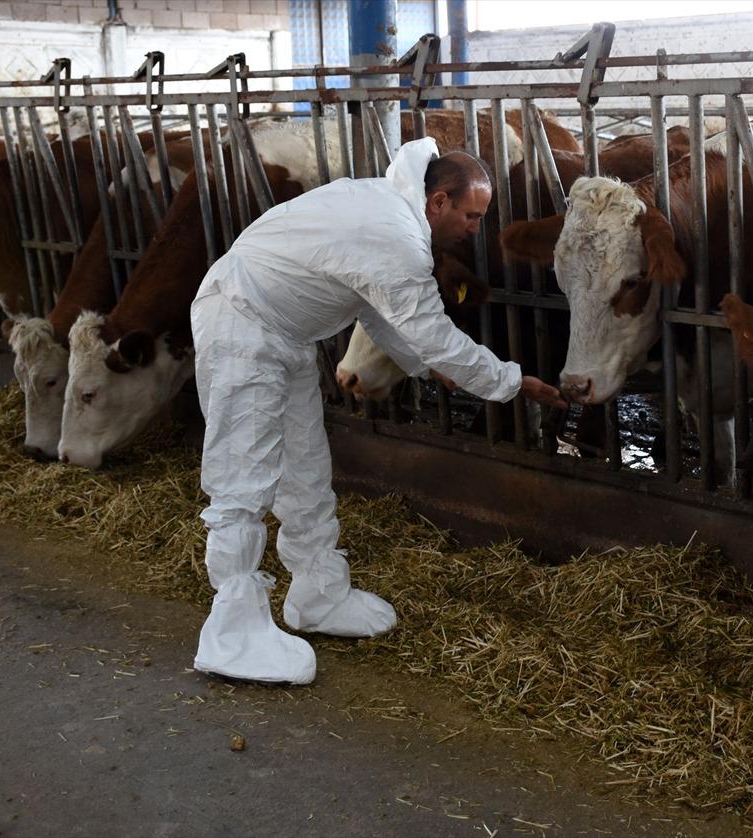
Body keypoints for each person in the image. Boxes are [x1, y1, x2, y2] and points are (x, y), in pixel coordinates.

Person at [189, 137, 565, 684]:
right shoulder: (396, 236)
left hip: (282, 332)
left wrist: (426, 364)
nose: (473, 230)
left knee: (305, 466)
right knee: (242, 476)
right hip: (242, 321)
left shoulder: (388, 210)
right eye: (471, 216)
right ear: (438, 202)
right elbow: (430, 330)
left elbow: (381, 311)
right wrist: (508, 381)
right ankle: (233, 630)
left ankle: (317, 593)